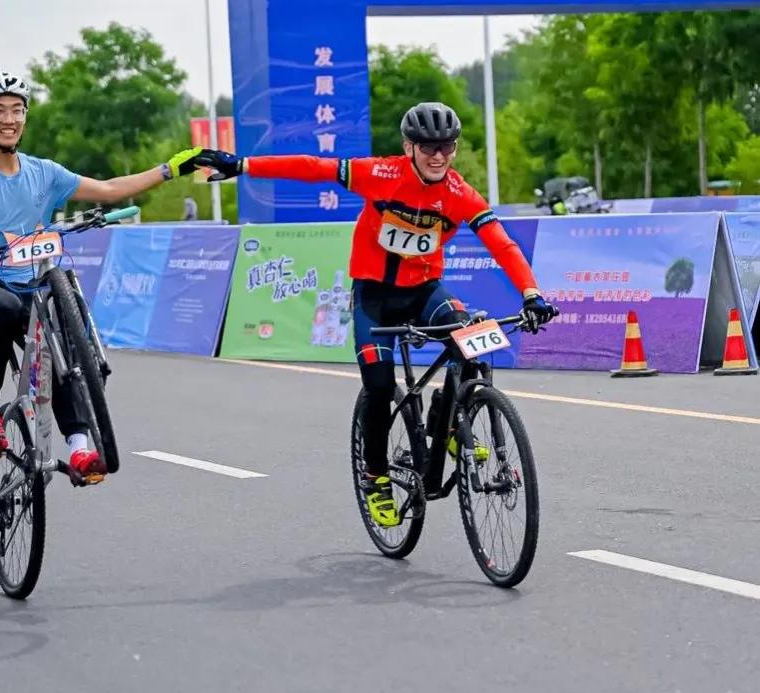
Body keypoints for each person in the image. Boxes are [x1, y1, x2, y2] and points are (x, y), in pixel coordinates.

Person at [196, 102, 556, 526]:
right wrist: (243, 165)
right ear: (409, 147)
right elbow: (314, 168)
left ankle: (450, 420)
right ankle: (375, 476)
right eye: (427, 147)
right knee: (380, 386)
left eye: (446, 146)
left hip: (424, 292)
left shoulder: (459, 194)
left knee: (472, 338)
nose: (437, 155)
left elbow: (502, 244)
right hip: (374, 297)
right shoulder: (383, 175)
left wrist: (531, 293)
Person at [0, 71, 207, 482]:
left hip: (31, 283)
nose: (10, 119)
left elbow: (111, 189)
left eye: (17, 110)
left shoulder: (44, 173)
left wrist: (169, 169)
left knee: (58, 336)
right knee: (0, 307)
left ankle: (79, 449)